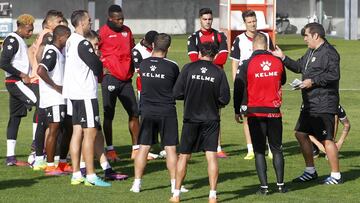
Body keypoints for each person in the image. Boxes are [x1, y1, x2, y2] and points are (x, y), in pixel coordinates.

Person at [273, 22, 342, 184]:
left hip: (324, 103)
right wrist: (283, 58)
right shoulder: (311, 51)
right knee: (300, 133)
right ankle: (310, 171)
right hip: (310, 103)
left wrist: (313, 81)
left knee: (327, 139)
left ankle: (336, 175)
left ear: (316, 36)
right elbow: (298, 67)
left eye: (306, 35)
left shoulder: (330, 53)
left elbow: (334, 75)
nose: (304, 39)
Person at [170, 42, 230, 203]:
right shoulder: (218, 72)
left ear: (199, 53)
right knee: (211, 156)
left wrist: (189, 95)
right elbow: (225, 98)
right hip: (211, 119)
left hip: (191, 119)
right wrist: (215, 102)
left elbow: (176, 93)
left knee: (184, 156)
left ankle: (176, 195)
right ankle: (212, 195)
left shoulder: (188, 68)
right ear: (216, 55)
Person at [234, 33, 287, 195]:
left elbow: (238, 87)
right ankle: (281, 185)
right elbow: (283, 80)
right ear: (266, 46)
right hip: (274, 113)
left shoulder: (246, 64)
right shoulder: (277, 61)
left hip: (255, 114)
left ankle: (264, 188)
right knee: (277, 149)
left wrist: (237, 109)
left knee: (259, 151)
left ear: (253, 47)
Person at [63, 10, 110, 187]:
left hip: (74, 94)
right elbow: (97, 67)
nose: (91, 23)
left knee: (77, 133)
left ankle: (76, 174)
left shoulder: (70, 41)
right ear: (81, 23)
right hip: (85, 94)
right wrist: (100, 63)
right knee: (90, 134)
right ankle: (90, 175)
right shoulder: (83, 43)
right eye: (89, 20)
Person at [130, 33, 180, 193]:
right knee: (171, 149)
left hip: (147, 111)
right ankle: (174, 185)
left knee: (144, 147)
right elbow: (177, 90)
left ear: (153, 45)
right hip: (166, 110)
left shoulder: (143, 65)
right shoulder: (172, 66)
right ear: (169, 48)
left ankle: (136, 184)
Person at [77, 30, 128, 181]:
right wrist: (101, 68)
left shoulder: (88, 56)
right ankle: (85, 170)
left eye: (98, 46)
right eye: (94, 45)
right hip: (84, 98)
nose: (97, 49)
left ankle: (105, 168)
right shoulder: (84, 56)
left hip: (88, 97)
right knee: (88, 134)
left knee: (96, 133)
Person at [230, 10, 274, 160]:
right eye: (249, 22)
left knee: (267, 114)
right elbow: (235, 63)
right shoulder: (239, 40)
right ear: (244, 23)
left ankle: (270, 147)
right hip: (247, 83)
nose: (253, 24)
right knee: (246, 115)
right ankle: (250, 149)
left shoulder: (265, 37)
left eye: (254, 21)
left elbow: (273, 57)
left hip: (263, 81)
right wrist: (237, 83)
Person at [98, 4, 140, 161]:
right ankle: (110, 150)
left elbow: (131, 49)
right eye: (118, 19)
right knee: (109, 115)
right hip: (110, 78)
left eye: (122, 19)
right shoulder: (102, 32)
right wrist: (102, 68)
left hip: (126, 79)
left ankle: (135, 149)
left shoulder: (127, 31)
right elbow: (94, 51)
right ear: (110, 19)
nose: (121, 22)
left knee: (134, 112)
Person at [187, 7, 229, 158]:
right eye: (205, 19)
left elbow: (224, 56)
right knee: (194, 113)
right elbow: (192, 58)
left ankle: (217, 147)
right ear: (200, 20)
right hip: (198, 80)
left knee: (216, 113)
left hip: (215, 80)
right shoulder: (194, 37)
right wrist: (211, 62)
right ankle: (192, 146)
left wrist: (205, 62)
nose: (208, 22)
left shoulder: (219, 36)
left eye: (210, 19)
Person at [0, 14, 36, 166]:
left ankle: (10, 158)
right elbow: (3, 62)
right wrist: (22, 75)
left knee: (15, 117)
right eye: (28, 30)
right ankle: (37, 147)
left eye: (32, 30)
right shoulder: (12, 39)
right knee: (41, 104)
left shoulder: (20, 40)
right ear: (20, 27)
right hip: (16, 82)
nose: (30, 33)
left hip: (16, 82)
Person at [37, 25, 71, 175]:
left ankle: (62, 163)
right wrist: (56, 86)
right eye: (67, 37)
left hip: (62, 99)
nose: (68, 40)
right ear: (61, 37)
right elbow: (40, 70)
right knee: (54, 129)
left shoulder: (59, 51)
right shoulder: (52, 51)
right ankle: (50, 166)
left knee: (67, 129)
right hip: (54, 99)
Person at [28, 10, 64, 152]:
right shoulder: (49, 35)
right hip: (43, 80)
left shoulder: (42, 33)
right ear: (49, 23)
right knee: (45, 119)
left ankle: (38, 151)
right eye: (59, 22)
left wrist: (33, 68)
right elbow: (38, 53)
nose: (61, 24)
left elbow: (31, 50)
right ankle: (38, 149)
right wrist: (39, 67)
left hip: (38, 78)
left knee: (43, 117)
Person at [132, 30, 161, 160]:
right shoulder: (137, 51)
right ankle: (145, 148)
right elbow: (140, 71)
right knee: (145, 118)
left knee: (159, 116)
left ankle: (157, 145)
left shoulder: (155, 48)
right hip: (143, 89)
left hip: (158, 88)